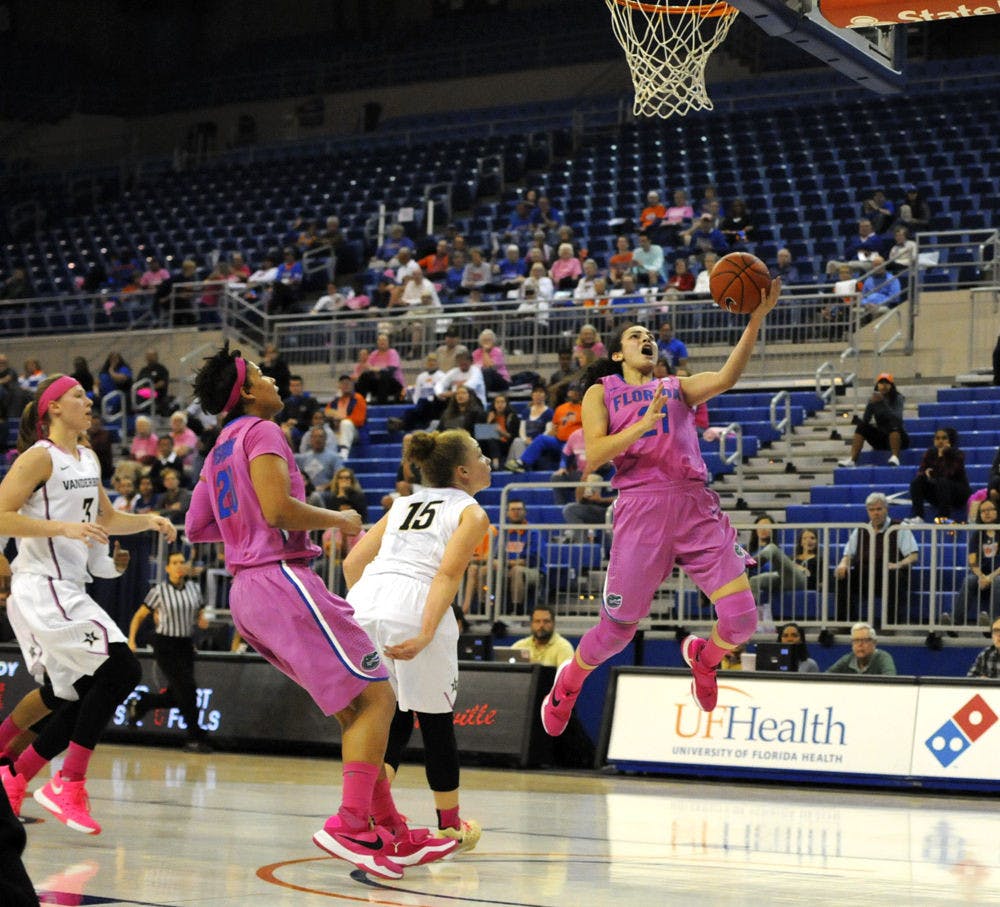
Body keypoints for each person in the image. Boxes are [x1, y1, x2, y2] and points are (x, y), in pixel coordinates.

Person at [184, 345, 453, 878]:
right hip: (281, 580)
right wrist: (340, 519)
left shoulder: (217, 451)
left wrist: (243, 536)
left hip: (248, 593)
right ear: (246, 392)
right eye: (263, 376)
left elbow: (197, 527)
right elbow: (279, 509)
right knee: (379, 698)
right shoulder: (260, 431)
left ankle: (389, 831)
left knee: (355, 711)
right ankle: (351, 822)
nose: (274, 381)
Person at [541, 281, 780, 734]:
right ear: (617, 354)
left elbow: (727, 378)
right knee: (616, 634)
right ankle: (569, 681)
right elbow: (594, 454)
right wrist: (643, 426)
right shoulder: (602, 391)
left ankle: (704, 659)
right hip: (641, 508)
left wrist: (756, 318)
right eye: (634, 335)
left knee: (742, 619)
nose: (645, 338)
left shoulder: (676, 387)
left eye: (649, 334)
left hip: (693, 504)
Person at [0, 375, 176, 833]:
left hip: (71, 588)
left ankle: (17, 780)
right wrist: (63, 529)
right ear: (52, 408)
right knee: (122, 671)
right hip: (43, 585)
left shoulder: (89, 458)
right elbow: (1, 513)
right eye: (78, 395)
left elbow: (108, 519)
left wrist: (149, 521)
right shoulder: (40, 457)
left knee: (76, 693)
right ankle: (68, 781)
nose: (88, 401)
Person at [344, 429, 490, 856]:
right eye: (481, 455)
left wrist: (366, 612)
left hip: (364, 601)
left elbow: (354, 561)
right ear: (463, 472)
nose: (488, 461)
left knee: (389, 713)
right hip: (414, 603)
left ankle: (371, 813)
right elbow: (446, 576)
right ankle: (450, 827)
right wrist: (425, 632)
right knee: (436, 718)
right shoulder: (471, 511)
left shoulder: (402, 503)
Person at [126, 551, 212, 752]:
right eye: (175, 562)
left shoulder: (194, 589)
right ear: (167, 568)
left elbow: (200, 611)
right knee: (188, 689)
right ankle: (194, 737)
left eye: (182, 562)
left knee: (178, 695)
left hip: (185, 644)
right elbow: (139, 616)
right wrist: (131, 640)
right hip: (165, 644)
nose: (179, 565)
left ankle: (143, 703)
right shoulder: (159, 590)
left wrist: (202, 618)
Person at [834, 492, 918, 625]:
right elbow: (848, 554)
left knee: (894, 577)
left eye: (879, 509)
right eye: (871, 510)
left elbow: (913, 555)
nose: (875, 513)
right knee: (842, 577)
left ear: (886, 509)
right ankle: (844, 623)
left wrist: (899, 564)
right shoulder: (861, 529)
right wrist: (843, 564)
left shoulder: (899, 527)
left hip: (888, 572)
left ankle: (891, 623)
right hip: (865, 574)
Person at [838, 372, 910, 468]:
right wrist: (871, 404)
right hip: (882, 439)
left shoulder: (898, 398)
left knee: (894, 425)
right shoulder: (874, 399)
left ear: (891, 386)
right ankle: (852, 460)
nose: (884, 386)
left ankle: (895, 457)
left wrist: (882, 402)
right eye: (881, 383)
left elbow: (897, 418)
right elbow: (866, 420)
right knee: (862, 427)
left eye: (886, 383)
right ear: (877, 385)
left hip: (899, 438)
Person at [908, 427, 970, 522]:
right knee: (916, 482)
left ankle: (943, 517)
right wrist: (925, 474)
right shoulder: (930, 453)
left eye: (944, 438)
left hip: (958, 494)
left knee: (942, 481)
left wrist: (942, 455)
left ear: (950, 440)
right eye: (937, 438)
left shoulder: (957, 454)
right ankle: (918, 516)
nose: (940, 441)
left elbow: (949, 473)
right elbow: (922, 471)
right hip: (938, 492)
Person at [749, 527, 823, 602]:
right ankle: (751, 611)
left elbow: (818, 581)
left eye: (812, 538)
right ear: (801, 542)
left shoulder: (819, 559)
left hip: (802, 582)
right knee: (754, 580)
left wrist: (802, 570)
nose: (809, 541)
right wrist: (795, 566)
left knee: (772, 547)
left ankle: (753, 562)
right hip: (784, 579)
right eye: (805, 538)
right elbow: (777, 570)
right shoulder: (792, 558)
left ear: (816, 542)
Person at [499, 499, 545, 612]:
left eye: (519, 509)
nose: (516, 512)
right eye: (513, 509)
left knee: (517, 570)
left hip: (533, 570)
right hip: (507, 568)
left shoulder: (533, 532)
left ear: (525, 512)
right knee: (485, 570)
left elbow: (531, 559)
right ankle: (483, 608)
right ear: (507, 513)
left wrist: (507, 562)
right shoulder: (504, 533)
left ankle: (516, 611)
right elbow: (496, 556)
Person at [959, 499, 1000, 626]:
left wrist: (990, 577)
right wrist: (982, 576)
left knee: (998, 581)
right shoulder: (977, 535)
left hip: (997, 573)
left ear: (997, 512)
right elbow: (972, 560)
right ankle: (955, 622)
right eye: (983, 511)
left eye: (989, 510)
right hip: (983, 574)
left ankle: (994, 623)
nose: (986, 513)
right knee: (969, 580)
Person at [826, 622, 896, 675]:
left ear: (874, 643)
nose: (860, 644)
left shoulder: (883, 658)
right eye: (856, 640)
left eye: (864, 640)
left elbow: (890, 682)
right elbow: (826, 677)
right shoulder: (848, 659)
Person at [354, 333, 404, 405]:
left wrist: (377, 370)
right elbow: (368, 368)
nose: (382, 342)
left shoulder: (393, 353)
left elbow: (390, 370)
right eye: (380, 340)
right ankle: (360, 402)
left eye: (384, 340)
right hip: (377, 381)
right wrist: (375, 370)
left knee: (384, 376)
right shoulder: (374, 354)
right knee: (364, 376)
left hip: (392, 383)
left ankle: (381, 404)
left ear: (388, 342)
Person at [325, 374, 367, 459]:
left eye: (348, 383)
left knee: (346, 423)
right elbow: (327, 412)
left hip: (354, 431)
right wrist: (331, 415)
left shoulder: (358, 398)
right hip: (336, 430)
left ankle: (344, 452)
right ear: (339, 386)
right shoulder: (335, 401)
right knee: (323, 428)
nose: (346, 386)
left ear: (352, 385)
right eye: (343, 384)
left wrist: (341, 418)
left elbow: (359, 420)